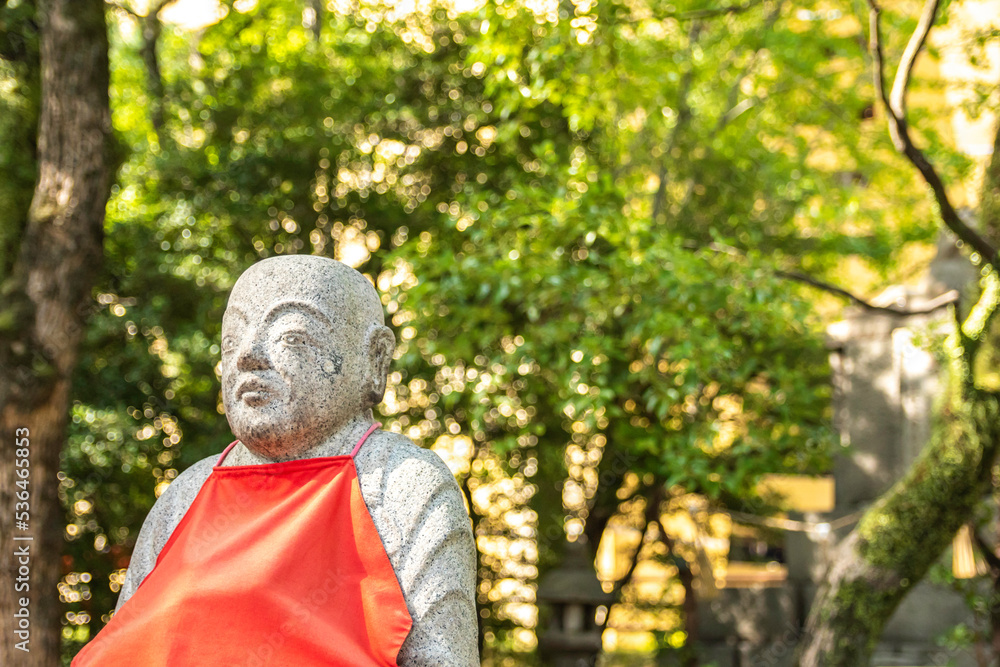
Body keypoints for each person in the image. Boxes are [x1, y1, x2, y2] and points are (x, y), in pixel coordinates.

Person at [73, 255, 479, 666]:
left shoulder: (400, 486)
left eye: (292, 337)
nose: (248, 355)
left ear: (374, 360)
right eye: (232, 340)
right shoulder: (185, 495)